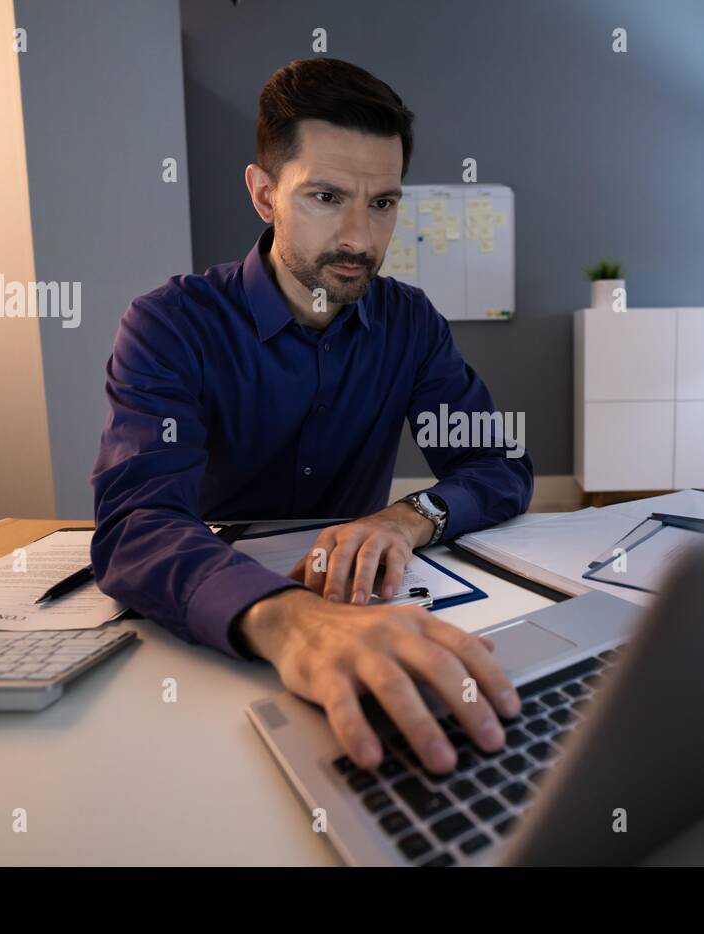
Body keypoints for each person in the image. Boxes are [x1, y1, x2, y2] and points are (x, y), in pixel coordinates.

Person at [91, 58, 533, 778]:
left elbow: (499, 464)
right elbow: (137, 524)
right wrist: (292, 619)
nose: (360, 237)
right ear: (265, 195)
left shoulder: (411, 324)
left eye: (384, 203)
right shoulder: (168, 326)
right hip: (215, 641)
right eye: (327, 197)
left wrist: (406, 517)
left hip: (376, 604)